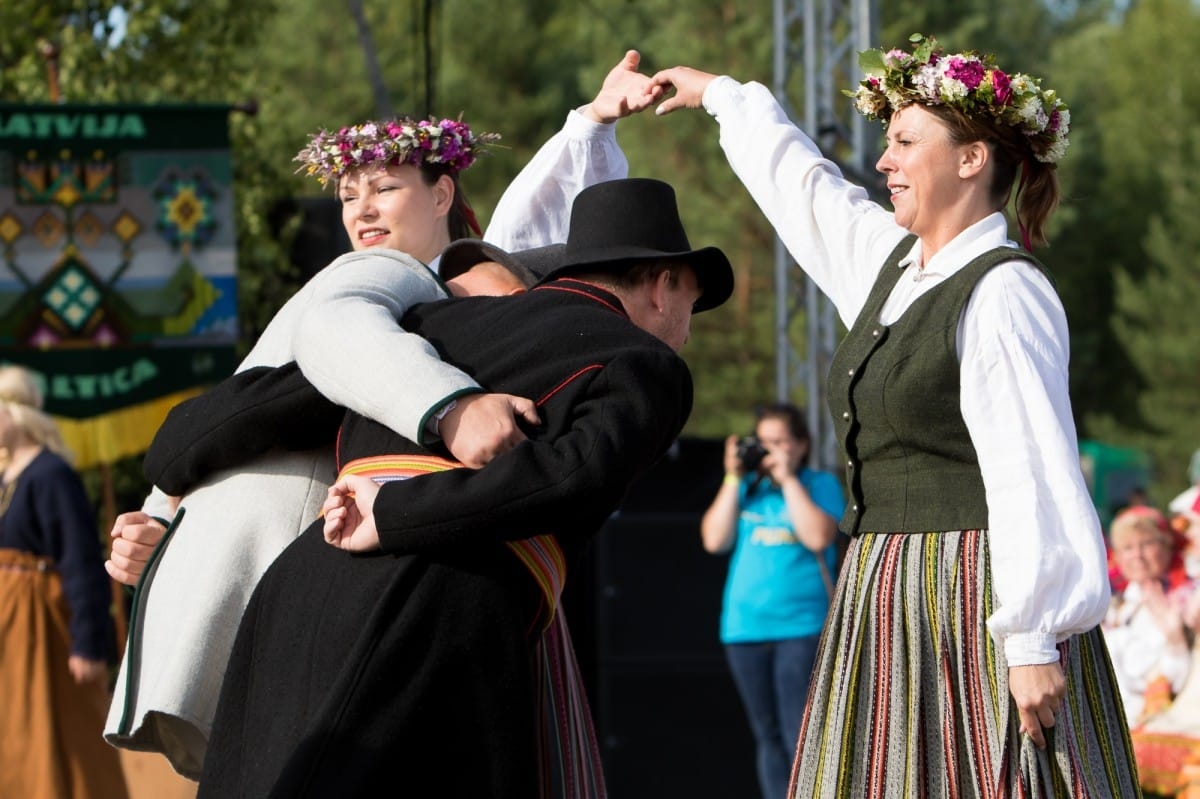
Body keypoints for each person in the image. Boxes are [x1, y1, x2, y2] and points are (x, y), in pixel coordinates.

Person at [103, 51, 663, 778]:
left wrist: (589, 124)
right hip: (312, 565)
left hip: (329, 574)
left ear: (442, 194)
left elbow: (526, 237)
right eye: (347, 194)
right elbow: (312, 353)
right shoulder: (381, 274)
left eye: (384, 187)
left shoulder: (445, 289)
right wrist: (453, 408)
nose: (360, 209)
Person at [652, 34, 1139, 796]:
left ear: (971, 159)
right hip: (883, 584)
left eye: (905, 141)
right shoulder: (893, 270)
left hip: (972, 592)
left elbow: (1028, 466)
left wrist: (1033, 637)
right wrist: (723, 96)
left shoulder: (1003, 290)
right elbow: (807, 192)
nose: (884, 161)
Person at [139, 177, 733, 797]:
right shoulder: (646, 363)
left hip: (298, 590)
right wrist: (396, 511)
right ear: (663, 284)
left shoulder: (429, 325)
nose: (687, 330)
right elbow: (568, 476)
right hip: (439, 597)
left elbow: (219, 421)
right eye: (692, 302)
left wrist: (171, 466)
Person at [699, 402, 844, 799]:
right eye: (763, 442)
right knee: (767, 735)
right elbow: (714, 540)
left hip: (801, 627)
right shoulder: (747, 489)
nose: (770, 450)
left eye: (779, 442)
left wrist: (789, 480)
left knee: (800, 731)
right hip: (744, 628)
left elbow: (819, 537)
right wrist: (732, 477)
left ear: (801, 445)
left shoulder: (819, 484)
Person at [0, 365, 130, 799]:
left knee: (56, 729)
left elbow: (79, 561)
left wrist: (88, 643)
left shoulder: (50, 474)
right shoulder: (7, 478)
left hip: (42, 628)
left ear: (14, 414)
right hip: (8, 626)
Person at [1103, 506, 1194, 725]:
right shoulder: (1116, 603)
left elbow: (1177, 676)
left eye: (1146, 544)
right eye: (1127, 548)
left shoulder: (1186, 599)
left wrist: (1175, 637)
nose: (1137, 556)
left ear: (1167, 546)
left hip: (1166, 723)